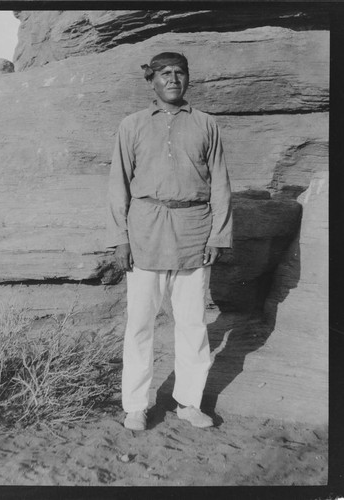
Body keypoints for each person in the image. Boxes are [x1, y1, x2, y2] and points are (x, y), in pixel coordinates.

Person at [106, 52, 232, 431]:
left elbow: (222, 184)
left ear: (188, 79)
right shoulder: (132, 125)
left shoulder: (206, 125)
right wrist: (120, 238)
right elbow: (118, 184)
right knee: (140, 324)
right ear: (152, 81)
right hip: (145, 230)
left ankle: (189, 403)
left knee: (193, 323)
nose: (173, 79)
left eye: (179, 73)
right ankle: (136, 406)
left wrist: (219, 234)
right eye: (164, 74)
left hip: (194, 230)